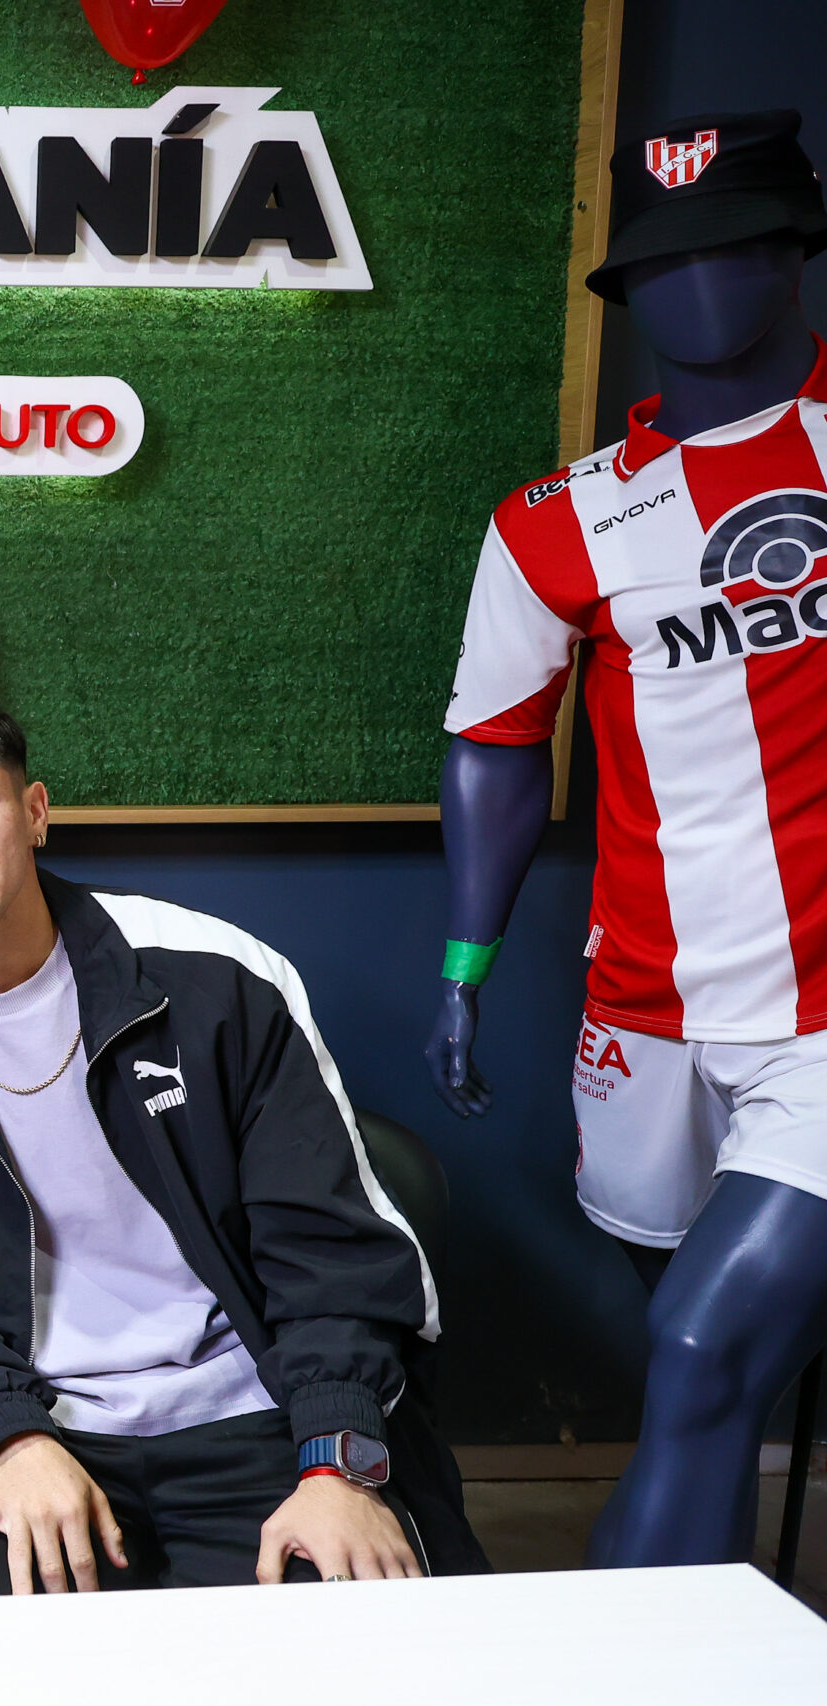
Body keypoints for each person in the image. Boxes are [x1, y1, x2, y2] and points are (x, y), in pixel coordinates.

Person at [0, 688, 482, 1596]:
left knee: (369, 1633)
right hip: (17, 1418)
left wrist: (336, 1460)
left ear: (34, 812)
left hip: (255, 1408)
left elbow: (331, 1245)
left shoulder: (217, 978)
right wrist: (9, 1438)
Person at [428, 112, 827, 1567]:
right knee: (689, 1352)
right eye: (659, 262)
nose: (694, 287)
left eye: (732, 247)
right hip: (645, 1007)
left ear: (793, 252)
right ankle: (715, 1613)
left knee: (705, 1347)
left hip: (822, 1016)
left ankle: (632, 1656)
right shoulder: (559, 519)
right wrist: (465, 964)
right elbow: (495, 743)